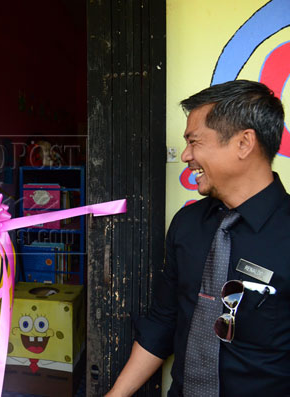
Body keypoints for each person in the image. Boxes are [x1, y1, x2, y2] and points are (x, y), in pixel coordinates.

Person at [107, 80, 290, 396]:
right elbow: (163, 321)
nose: (187, 155)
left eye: (195, 142)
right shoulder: (188, 224)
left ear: (244, 143)